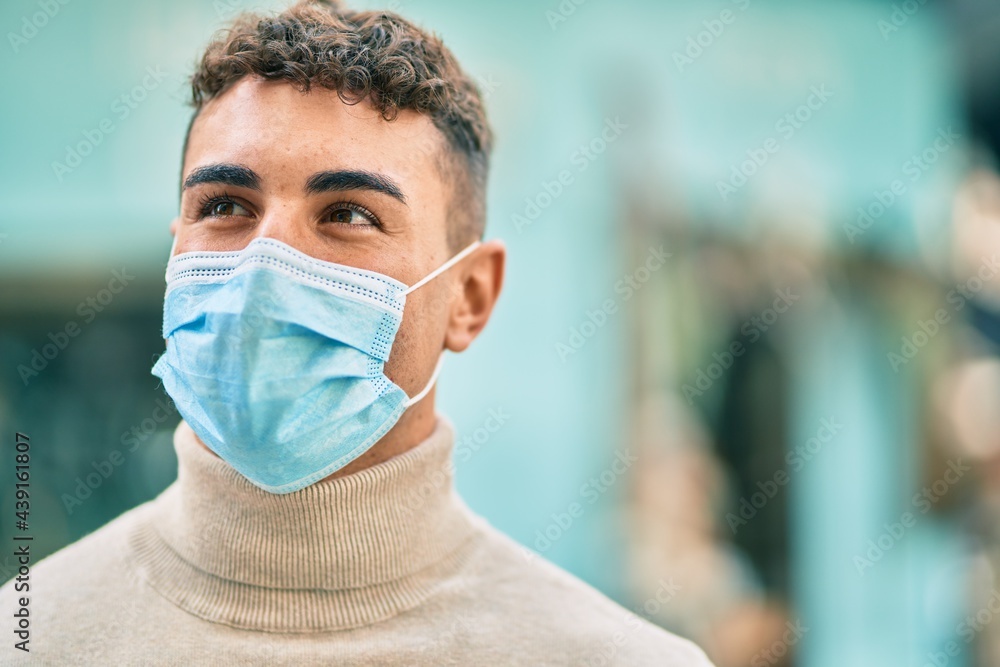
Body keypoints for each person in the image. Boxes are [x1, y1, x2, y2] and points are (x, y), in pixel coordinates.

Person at [0, 1, 714, 664]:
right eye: (224, 204)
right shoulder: (29, 636)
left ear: (469, 296)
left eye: (349, 214)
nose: (263, 266)